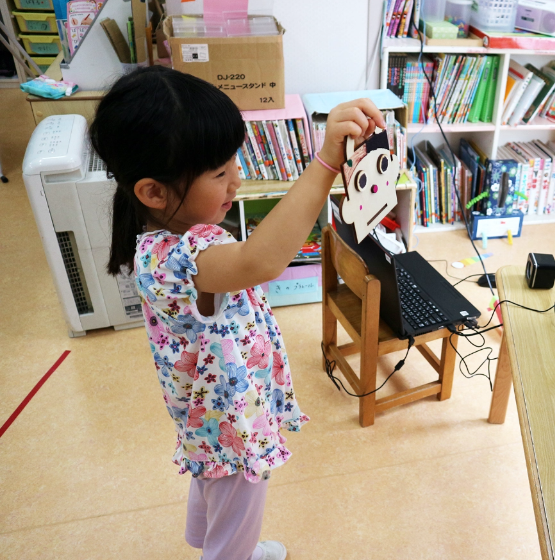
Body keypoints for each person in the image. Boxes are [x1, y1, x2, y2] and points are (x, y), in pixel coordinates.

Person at [90, 66, 385, 560]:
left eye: (234, 163)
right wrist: (325, 163)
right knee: (238, 493)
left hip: (206, 416)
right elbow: (262, 260)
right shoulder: (189, 256)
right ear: (153, 192)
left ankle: (216, 539)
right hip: (230, 418)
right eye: (220, 173)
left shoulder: (157, 244)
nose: (237, 180)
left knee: (213, 478)